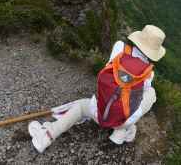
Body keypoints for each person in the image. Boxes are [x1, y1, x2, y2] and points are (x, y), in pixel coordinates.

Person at [28, 25, 166, 153]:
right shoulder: (148, 72)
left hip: (98, 112)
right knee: (151, 93)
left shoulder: (119, 47)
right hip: (120, 122)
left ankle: (47, 135)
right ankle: (122, 131)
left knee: (82, 107)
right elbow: (137, 96)